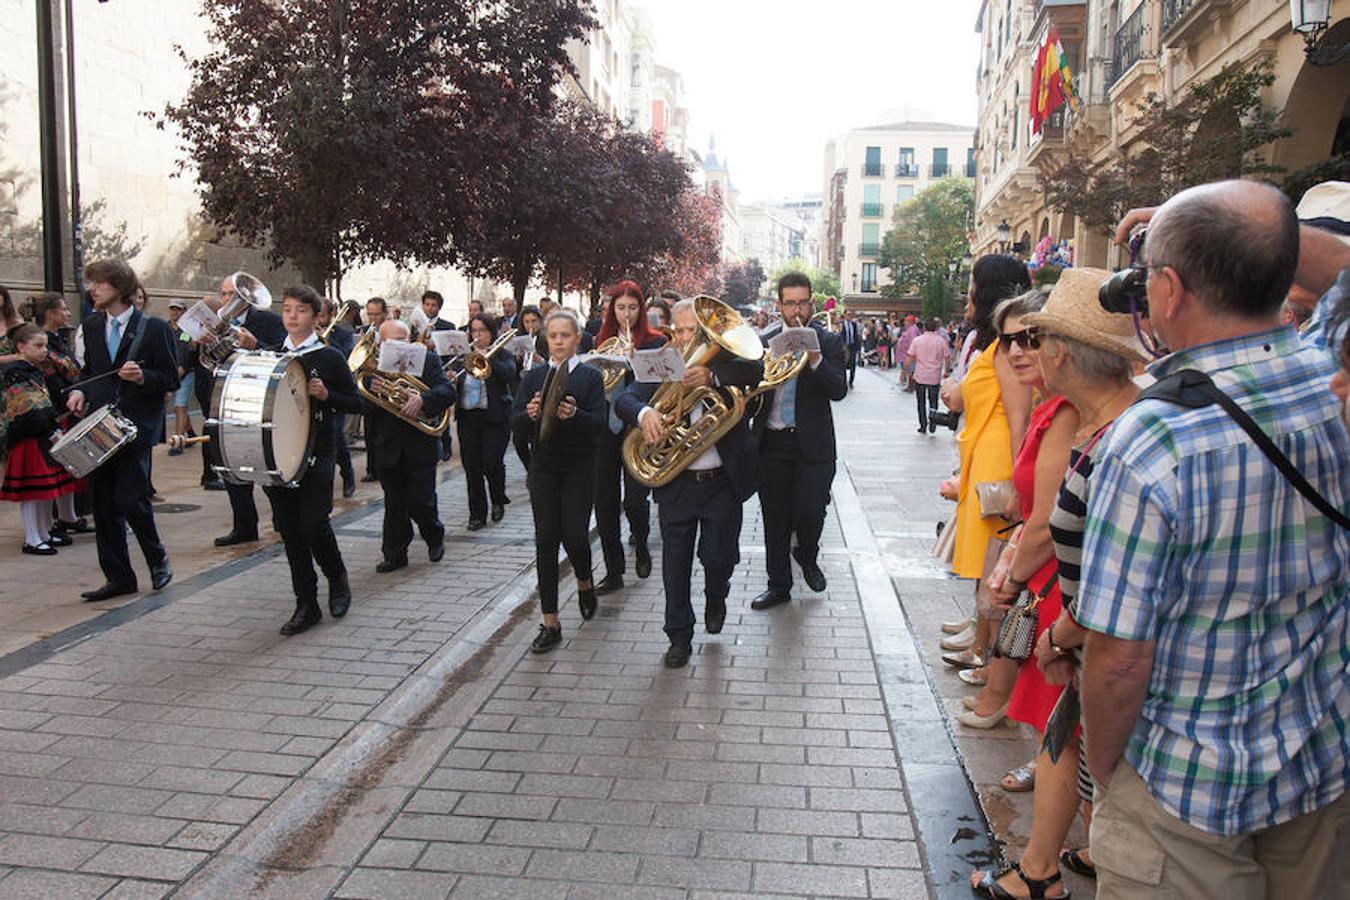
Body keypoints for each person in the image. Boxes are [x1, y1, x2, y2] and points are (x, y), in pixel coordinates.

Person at [1072, 181, 1348, 899]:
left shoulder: (1153, 436)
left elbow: (1118, 658)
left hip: (1184, 792)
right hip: (1318, 768)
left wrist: (1110, 776)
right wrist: (1249, 234)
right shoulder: (1328, 381)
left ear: (1166, 290)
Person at [969, 272, 1150, 898]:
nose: (1023, 351)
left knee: (1071, 733)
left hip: (1086, 619)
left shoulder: (1118, 431)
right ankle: (1082, 855)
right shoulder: (1106, 418)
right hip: (1078, 611)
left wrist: (1060, 626)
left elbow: (1115, 563)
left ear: (1063, 352)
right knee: (1071, 734)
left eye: (1036, 337)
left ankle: (1043, 871)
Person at [616, 298, 764, 667]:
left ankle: (717, 596)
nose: (681, 338)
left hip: (722, 483)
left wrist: (714, 378)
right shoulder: (660, 360)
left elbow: (757, 369)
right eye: (678, 331)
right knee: (675, 563)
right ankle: (678, 636)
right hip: (677, 483)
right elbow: (625, 398)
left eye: (689, 331)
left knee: (719, 558)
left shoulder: (728, 362)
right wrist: (644, 412)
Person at [67, 258, 179, 602]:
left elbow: (170, 377)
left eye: (98, 283)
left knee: (131, 498)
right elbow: (88, 372)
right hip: (99, 425)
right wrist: (78, 391)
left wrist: (143, 377)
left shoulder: (155, 328)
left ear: (118, 287)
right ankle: (118, 577)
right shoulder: (90, 325)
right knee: (102, 505)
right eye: (90, 283)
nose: (91, 289)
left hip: (134, 426)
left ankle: (157, 558)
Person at [263, 285, 362, 635]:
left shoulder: (330, 357)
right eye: (287, 309)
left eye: (300, 311)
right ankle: (306, 603)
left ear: (316, 316)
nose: (292, 316)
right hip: (278, 455)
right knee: (289, 531)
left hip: (318, 451)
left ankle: (337, 579)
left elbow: (356, 403)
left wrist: (327, 395)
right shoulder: (272, 355)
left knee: (313, 524)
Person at [749, 272, 848, 610]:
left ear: (811, 304)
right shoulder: (763, 340)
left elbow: (838, 390)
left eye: (802, 303)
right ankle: (778, 585)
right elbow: (749, 393)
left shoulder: (829, 341)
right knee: (774, 517)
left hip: (814, 445)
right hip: (773, 441)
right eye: (789, 303)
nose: (796, 310)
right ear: (779, 305)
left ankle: (806, 553)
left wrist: (816, 358)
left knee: (810, 510)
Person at [511, 309, 604, 653]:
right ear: (545, 339)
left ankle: (584, 578)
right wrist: (529, 415)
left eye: (566, 335)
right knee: (545, 539)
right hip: (544, 467)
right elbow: (516, 422)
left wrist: (575, 415)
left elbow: (598, 426)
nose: (559, 342)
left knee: (575, 535)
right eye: (553, 336)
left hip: (579, 466)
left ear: (577, 339)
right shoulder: (533, 377)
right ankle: (550, 620)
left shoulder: (591, 378)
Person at [362, 319, 455, 571]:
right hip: (388, 445)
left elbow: (448, 392)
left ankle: (434, 535)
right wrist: (374, 391)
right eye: (389, 341)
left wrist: (422, 399)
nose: (395, 346)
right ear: (381, 343)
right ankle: (394, 554)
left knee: (420, 501)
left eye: (400, 340)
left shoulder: (429, 360)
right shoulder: (371, 371)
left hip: (419, 445)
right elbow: (363, 407)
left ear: (410, 339)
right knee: (394, 504)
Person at [592, 281, 665, 595]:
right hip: (603, 431)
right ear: (612, 309)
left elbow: (660, 387)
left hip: (635, 430)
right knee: (604, 502)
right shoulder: (601, 339)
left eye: (632, 308)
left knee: (635, 500)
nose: (626, 313)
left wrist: (635, 362)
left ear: (642, 309)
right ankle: (613, 569)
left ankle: (642, 543)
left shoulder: (655, 341)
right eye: (620, 308)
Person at [202, 274, 286, 547]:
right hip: (226, 399)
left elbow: (284, 357)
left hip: (258, 400)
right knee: (231, 462)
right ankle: (244, 526)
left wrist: (255, 346)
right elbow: (207, 363)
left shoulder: (269, 321)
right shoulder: (216, 324)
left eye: (231, 294)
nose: (227, 299)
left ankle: (283, 521)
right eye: (224, 294)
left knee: (264, 463)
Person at [1, 324, 84, 554]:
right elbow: (30, 408)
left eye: (45, 345)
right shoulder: (17, 372)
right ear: (21, 347)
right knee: (32, 491)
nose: (44, 351)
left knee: (44, 489)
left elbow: (43, 405)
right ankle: (32, 537)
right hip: (28, 437)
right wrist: (51, 426)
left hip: (40, 434)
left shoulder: (32, 369)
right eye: (38, 346)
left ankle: (43, 532)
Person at [454, 312, 516, 530]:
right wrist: (453, 376)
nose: (477, 335)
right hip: (468, 416)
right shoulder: (463, 356)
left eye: (482, 331)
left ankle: (498, 498)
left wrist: (489, 359)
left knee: (491, 463)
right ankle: (477, 514)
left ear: (492, 333)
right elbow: (452, 381)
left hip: (495, 417)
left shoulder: (503, 355)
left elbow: (510, 375)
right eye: (474, 331)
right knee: (472, 468)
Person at [907, 318, 951, 433]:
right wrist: (946, 371)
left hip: (920, 375)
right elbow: (947, 356)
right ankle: (933, 421)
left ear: (924, 328)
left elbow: (910, 356)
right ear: (936, 327)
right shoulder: (941, 341)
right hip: (934, 376)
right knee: (933, 401)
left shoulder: (917, 340)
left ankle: (923, 425)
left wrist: (904, 371)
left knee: (921, 401)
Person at [164, 299, 196, 455]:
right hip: (170, 371)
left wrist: (181, 370)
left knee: (179, 407)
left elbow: (186, 354)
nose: (175, 313)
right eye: (172, 309)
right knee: (180, 407)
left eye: (178, 309)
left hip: (186, 373)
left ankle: (178, 442)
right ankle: (191, 433)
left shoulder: (187, 330)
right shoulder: (165, 328)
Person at [839, 309, 862, 387]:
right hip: (844, 348)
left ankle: (851, 381)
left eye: (851, 315)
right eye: (848, 314)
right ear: (845, 315)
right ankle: (843, 381)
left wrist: (858, 349)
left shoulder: (854, 324)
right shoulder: (841, 324)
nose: (850, 316)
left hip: (852, 347)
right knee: (843, 365)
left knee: (853, 366)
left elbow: (856, 336)